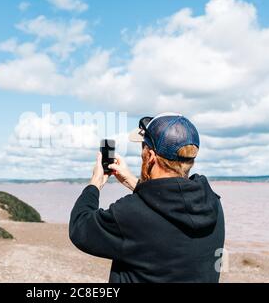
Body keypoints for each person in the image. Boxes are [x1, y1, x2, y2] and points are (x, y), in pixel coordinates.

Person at [69, 113, 225, 283]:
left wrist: (95, 183)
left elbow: (80, 227)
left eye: (142, 148)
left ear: (150, 156)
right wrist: (134, 183)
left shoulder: (130, 214)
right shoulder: (213, 204)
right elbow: (167, 208)